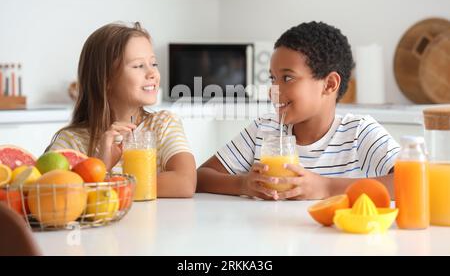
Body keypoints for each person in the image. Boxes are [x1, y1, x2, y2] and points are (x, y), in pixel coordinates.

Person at [197, 21, 399, 200]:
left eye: (287, 78)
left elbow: (415, 182)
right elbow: (201, 176)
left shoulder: (358, 133)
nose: (273, 90)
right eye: (272, 79)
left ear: (329, 84)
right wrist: (243, 184)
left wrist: (326, 187)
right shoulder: (264, 129)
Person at [47, 22, 196, 198]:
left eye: (153, 64)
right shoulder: (72, 142)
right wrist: (101, 166)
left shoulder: (162, 125)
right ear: (106, 79)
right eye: (138, 66)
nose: (153, 73)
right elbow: (50, 194)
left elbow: (184, 183)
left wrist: (104, 181)